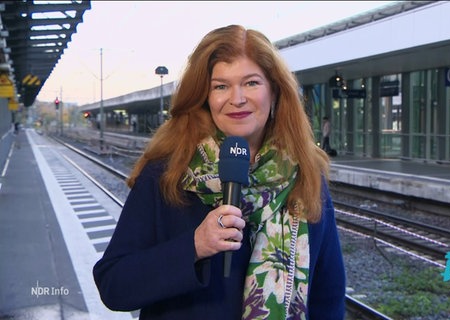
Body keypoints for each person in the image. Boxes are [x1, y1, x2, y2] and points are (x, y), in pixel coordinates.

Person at [92, 24, 346, 320]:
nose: (236, 98)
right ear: (205, 97)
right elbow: (114, 284)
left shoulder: (305, 176)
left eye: (251, 83)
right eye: (220, 86)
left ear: (274, 92)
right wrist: (195, 246)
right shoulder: (167, 173)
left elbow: (328, 298)